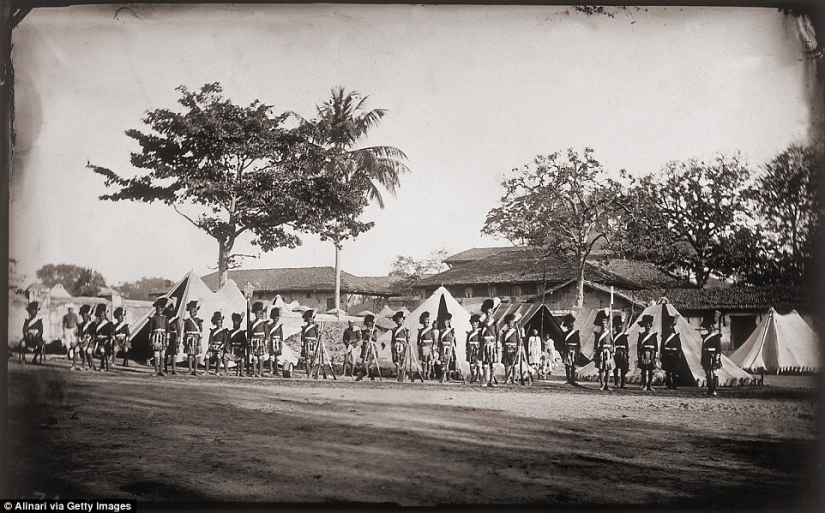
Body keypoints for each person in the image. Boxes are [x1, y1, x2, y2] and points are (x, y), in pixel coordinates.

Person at [700, 312, 723, 396]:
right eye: (708, 327)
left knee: (714, 373)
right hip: (706, 356)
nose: (709, 328)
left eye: (710, 327)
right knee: (708, 374)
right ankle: (709, 389)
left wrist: (717, 358)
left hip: (713, 357)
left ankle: (714, 390)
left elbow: (719, 349)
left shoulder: (717, 337)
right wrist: (702, 358)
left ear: (713, 327)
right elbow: (703, 349)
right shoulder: (705, 337)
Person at [480, 297, 501, 387]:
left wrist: (498, 345)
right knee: (484, 364)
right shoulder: (482, 323)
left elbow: (498, 335)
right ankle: (484, 380)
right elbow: (480, 335)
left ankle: (491, 381)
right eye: (487, 313)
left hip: (492, 345)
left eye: (490, 312)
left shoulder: (495, 323)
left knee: (492, 364)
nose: (489, 314)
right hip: (485, 344)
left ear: (492, 313)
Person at [148, 298, 170, 376]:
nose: (160, 309)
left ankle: (161, 370)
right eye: (158, 308)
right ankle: (156, 370)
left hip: (163, 337)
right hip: (156, 337)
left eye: (161, 308)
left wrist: (167, 339)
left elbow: (168, 330)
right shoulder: (153, 318)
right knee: (156, 354)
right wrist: (150, 339)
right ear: (156, 308)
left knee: (162, 354)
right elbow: (150, 330)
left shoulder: (165, 318)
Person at [593, 309, 614, 391]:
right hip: (601, 352)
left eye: (605, 322)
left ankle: (607, 385)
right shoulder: (598, 334)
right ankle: (602, 385)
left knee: (608, 369)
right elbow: (596, 345)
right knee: (601, 369)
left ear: (607, 323)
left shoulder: (609, 333)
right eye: (602, 323)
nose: (604, 324)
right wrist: (595, 354)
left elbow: (613, 343)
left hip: (608, 352)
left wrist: (613, 352)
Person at [660, 315, 683, 390]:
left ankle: (674, 385)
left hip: (674, 355)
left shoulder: (676, 337)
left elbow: (679, 347)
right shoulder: (664, 336)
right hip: (667, 354)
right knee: (667, 370)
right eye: (669, 326)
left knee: (674, 371)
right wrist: (661, 354)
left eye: (671, 326)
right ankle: (668, 384)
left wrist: (679, 354)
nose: (670, 328)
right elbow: (662, 346)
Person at [636, 314, 658, 391]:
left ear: (651, 326)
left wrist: (656, 356)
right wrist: (639, 355)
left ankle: (649, 385)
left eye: (649, 325)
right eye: (646, 325)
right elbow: (639, 346)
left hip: (652, 354)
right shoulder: (641, 335)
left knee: (651, 370)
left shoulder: (653, 335)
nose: (648, 327)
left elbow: (656, 346)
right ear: (644, 326)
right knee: (644, 370)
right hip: (644, 354)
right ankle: (644, 385)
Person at [355, 314, 379, 381]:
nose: (368, 325)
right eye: (367, 323)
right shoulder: (364, 331)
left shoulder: (375, 330)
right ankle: (363, 373)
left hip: (372, 346)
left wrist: (371, 335)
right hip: (365, 346)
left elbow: (375, 339)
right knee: (364, 361)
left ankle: (372, 374)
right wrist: (367, 333)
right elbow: (363, 338)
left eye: (369, 323)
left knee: (372, 361)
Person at [500, 313, 522, 385]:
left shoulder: (516, 332)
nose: (510, 324)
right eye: (509, 323)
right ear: (507, 324)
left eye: (512, 323)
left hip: (514, 350)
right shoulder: (505, 332)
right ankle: (508, 378)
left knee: (514, 365)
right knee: (506, 365)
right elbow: (503, 342)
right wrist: (503, 350)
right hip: (507, 350)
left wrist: (518, 350)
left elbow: (518, 342)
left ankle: (514, 379)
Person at [438, 313, 460, 383]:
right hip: (444, 347)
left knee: (450, 362)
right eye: (445, 322)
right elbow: (439, 340)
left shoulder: (452, 331)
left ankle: (449, 376)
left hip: (450, 347)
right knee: (443, 361)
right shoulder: (441, 331)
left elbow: (454, 340)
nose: (446, 323)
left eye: (447, 322)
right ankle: (443, 375)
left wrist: (454, 347)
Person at [249, 301, 268, 378]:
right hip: (254, 340)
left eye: (259, 313)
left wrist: (266, 340)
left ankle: (260, 372)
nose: (257, 315)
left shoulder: (264, 323)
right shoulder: (252, 323)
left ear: (261, 314)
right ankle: (254, 372)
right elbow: (250, 333)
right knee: (254, 357)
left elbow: (266, 332)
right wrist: (249, 340)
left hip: (261, 340)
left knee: (260, 357)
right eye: (256, 313)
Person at [92, 303, 113, 372]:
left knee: (102, 350)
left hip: (105, 342)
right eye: (101, 314)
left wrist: (105, 340)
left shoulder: (109, 324)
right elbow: (94, 333)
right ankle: (91, 365)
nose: (102, 315)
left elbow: (110, 336)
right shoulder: (96, 323)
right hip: (97, 341)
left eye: (103, 314)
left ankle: (102, 366)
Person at [560, 313, 581, 385]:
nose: (571, 325)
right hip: (567, 350)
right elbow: (563, 343)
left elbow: (578, 343)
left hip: (574, 350)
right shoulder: (565, 334)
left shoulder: (576, 333)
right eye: (570, 323)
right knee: (567, 366)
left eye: (572, 323)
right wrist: (563, 351)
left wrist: (578, 351)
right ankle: (568, 380)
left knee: (573, 365)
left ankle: (573, 380)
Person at [206, 311, 228, 375]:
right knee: (207, 356)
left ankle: (217, 371)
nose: (218, 324)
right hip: (213, 347)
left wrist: (220, 347)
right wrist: (210, 346)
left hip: (220, 348)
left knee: (219, 356)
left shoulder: (224, 331)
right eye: (217, 323)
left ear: (221, 323)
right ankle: (207, 371)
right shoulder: (213, 331)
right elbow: (210, 340)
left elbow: (225, 341)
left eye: (220, 323)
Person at [611, 315, 629, 388]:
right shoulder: (613, 336)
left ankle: (623, 383)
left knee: (623, 369)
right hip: (616, 352)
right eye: (619, 326)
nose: (620, 327)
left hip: (623, 353)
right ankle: (616, 383)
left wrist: (627, 354)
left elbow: (627, 346)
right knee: (615, 368)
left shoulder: (624, 336)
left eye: (621, 326)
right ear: (616, 327)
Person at [416, 312, 436, 380]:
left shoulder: (431, 331)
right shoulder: (420, 331)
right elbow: (418, 341)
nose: (426, 324)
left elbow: (434, 340)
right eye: (425, 323)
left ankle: (428, 374)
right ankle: (424, 374)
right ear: (423, 323)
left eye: (427, 322)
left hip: (430, 347)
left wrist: (433, 348)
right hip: (423, 347)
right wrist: (418, 349)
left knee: (430, 361)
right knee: (424, 361)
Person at [227, 313, 247, 377]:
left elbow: (244, 343)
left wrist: (242, 348)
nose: (235, 324)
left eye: (237, 323)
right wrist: (227, 348)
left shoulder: (242, 333)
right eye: (234, 322)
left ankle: (242, 372)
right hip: (232, 350)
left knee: (243, 357)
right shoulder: (230, 332)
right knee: (225, 356)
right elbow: (228, 342)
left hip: (239, 350)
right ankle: (226, 371)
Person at [164, 302, 180, 375]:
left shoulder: (175, 319)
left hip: (174, 336)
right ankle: (165, 368)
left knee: (174, 354)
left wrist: (178, 337)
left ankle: (174, 369)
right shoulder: (165, 318)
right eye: (170, 308)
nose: (171, 310)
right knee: (166, 353)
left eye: (172, 309)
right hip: (167, 336)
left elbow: (178, 329)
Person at [300, 310, 319, 375]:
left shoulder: (315, 327)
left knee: (313, 358)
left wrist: (317, 344)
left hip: (313, 343)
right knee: (307, 358)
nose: (310, 320)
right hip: (306, 343)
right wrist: (302, 343)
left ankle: (312, 370)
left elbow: (317, 336)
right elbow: (302, 336)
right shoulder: (304, 328)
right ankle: (308, 370)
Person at [465, 314, 483, 383]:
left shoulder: (479, 333)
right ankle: (473, 376)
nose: (474, 325)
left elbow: (481, 341)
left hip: (477, 349)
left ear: (478, 324)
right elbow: (467, 342)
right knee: (471, 363)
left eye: (475, 323)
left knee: (478, 363)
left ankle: (477, 377)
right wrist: (467, 350)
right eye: (472, 323)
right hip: (471, 349)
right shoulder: (470, 333)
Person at [267, 307, 284, 377]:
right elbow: (268, 334)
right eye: (275, 318)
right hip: (272, 341)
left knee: (277, 357)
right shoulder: (270, 326)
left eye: (277, 318)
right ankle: (271, 370)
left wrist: (281, 341)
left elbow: (281, 334)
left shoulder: (279, 326)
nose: (276, 319)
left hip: (278, 341)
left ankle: (276, 370)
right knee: (271, 357)